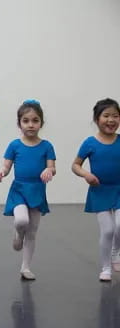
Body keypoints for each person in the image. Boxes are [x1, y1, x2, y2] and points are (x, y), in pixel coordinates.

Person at [0, 100, 56, 280]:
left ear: (41, 123)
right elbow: (6, 166)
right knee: (21, 220)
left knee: (33, 231)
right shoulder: (15, 145)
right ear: (19, 123)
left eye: (35, 120)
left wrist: (48, 170)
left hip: (37, 190)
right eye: (26, 120)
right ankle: (17, 233)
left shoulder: (46, 146)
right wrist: (1, 173)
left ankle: (25, 267)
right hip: (19, 189)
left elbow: (52, 167)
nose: (30, 125)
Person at [72, 98, 120, 281]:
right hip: (100, 191)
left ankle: (116, 252)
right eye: (106, 116)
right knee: (108, 230)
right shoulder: (90, 143)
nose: (111, 120)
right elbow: (75, 165)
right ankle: (106, 267)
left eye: (115, 116)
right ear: (97, 119)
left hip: (119, 189)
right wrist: (86, 174)